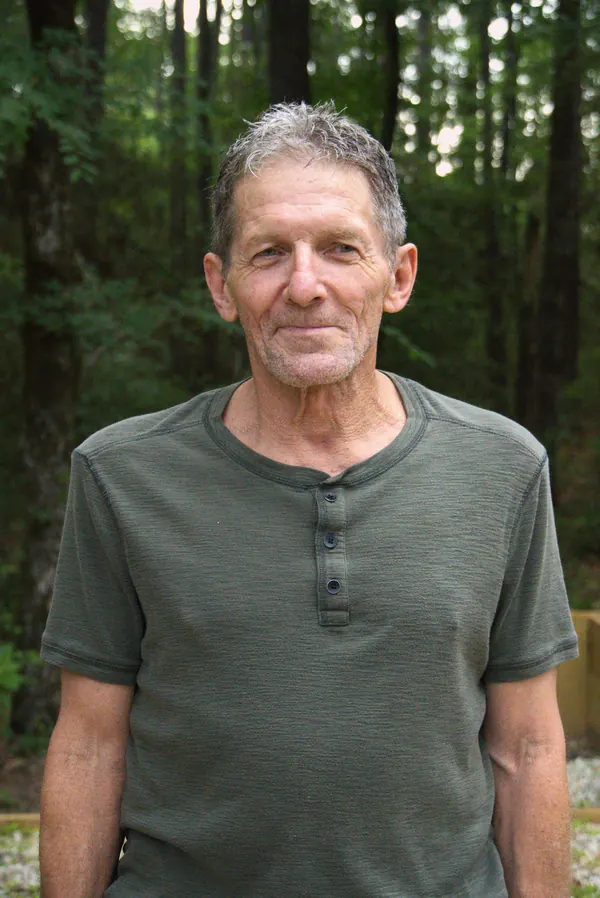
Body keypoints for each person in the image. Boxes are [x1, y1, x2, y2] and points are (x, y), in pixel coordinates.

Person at [39, 102, 578, 898]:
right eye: (267, 254)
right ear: (221, 285)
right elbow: (89, 748)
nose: (304, 285)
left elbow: (528, 751)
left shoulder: (501, 468)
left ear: (397, 277)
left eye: (340, 249)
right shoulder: (122, 475)